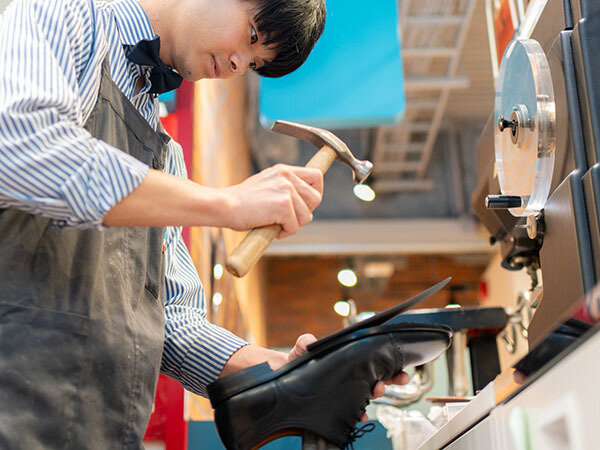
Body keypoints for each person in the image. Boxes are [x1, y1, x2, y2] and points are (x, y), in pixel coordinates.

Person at [0, 0, 408, 448]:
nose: (237, 64)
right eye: (252, 35)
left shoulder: (166, 157)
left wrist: (290, 370)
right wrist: (226, 204)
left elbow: (172, 320)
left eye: (253, 64)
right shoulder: (66, 14)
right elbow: (22, 148)